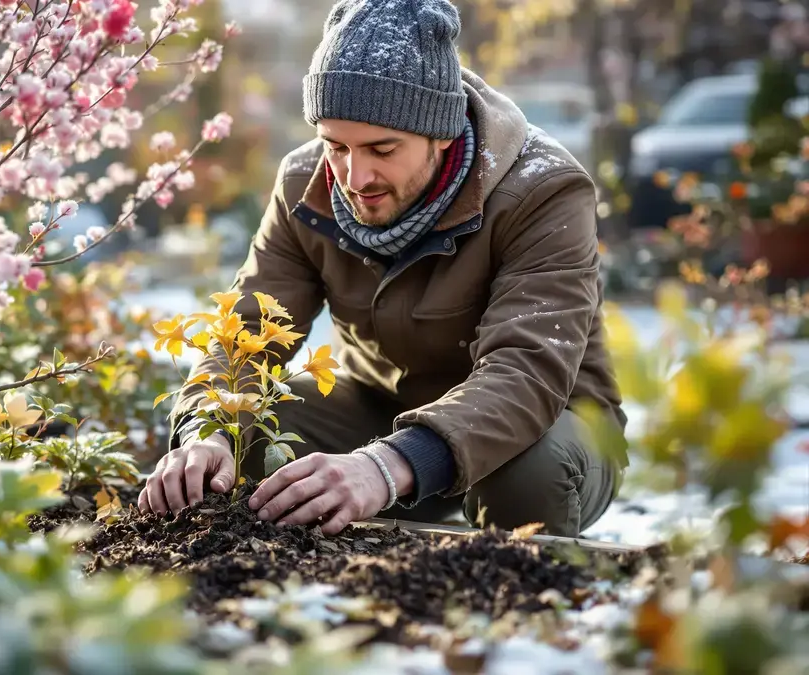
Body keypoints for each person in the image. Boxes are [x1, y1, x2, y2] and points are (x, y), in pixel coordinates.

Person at [137, 0, 629, 538]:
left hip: (548, 423)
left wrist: (384, 467)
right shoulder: (307, 182)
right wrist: (207, 431)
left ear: (442, 133)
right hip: (377, 410)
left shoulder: (544, 191)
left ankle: (515, 605)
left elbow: (527, 372)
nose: (355, 175)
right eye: (336, 145)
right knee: (244, 442)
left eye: (382, 148)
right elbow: (250, 329)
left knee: (525, 479)